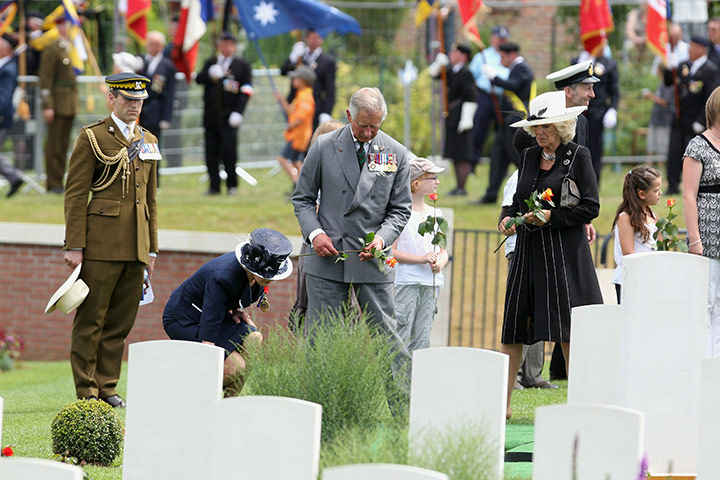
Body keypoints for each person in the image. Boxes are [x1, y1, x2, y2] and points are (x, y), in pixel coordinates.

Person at [291, 87, 412, 382]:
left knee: (389, 340)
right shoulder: (323, 146)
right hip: (327, 259)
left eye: (376, 126)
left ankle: (405, 414)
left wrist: (382, 239)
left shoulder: (396, 153)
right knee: (322, 341)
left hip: (373, 261)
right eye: (363, 125)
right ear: (349, 116)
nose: (369, 132)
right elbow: (302, 199)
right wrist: (316, 234)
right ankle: (322, 410)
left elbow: (400, 210)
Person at [498, 91, 603, 418]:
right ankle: (502, 406)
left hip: (564, 254)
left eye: (545, 126)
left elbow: (591, 206)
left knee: (569, 329)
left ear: (562, 125)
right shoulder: (528, 156)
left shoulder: (579, 156)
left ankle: (581, 406)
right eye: (536, 127)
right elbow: (518, 199)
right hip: (529, 251)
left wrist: (552, 217)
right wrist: (508, 217)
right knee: (515, 323)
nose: (539, 132)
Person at [63, 73, 160, 407]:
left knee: (120, 321)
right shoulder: (91, 138)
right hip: (101, 242)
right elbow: (75, 195)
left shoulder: (149, 139)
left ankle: (108, 386)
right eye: (128, 100)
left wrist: (151, 247)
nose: (135, 106)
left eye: (139, 101)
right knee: (92, 319)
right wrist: (75, 245)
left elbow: (150, 200)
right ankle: (87, 389)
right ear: (112, 99)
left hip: (136, 243)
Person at [163, 228, 293, 391]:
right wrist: (209, 353)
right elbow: (211, 314)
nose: (270, 278)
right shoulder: (223, 277)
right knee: (235, 365)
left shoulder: (257, 279)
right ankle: (193, 395)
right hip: (184, 318)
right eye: (266, 274)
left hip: (215, 313)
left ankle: (229, 405)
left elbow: (228, 298)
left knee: (254, 338)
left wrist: (235, 309)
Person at [392, 157, 449, 352]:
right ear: (416, 183)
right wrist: (421, 259)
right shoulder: (400, 214)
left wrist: (440, 262)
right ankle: (396, 382)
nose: (437, 181)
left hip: (430, 284)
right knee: (401, 334)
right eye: (432, 177)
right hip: (406, 282)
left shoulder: (436, 214)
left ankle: (415, 382)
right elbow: (392, 251)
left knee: (422, 338)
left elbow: (443, 250)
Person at [291, 120, 345, 329]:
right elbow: (305, 207)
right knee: (314, 311)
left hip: (335, 250)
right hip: (317, 249)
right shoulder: (316, 172)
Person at [683, 86, 720, 356]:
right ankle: (705, 359)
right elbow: (688, 197)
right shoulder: (698, 146)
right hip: (708, 236)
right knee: (707, 301)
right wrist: (695, 239)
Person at [477, 41, 535, 204]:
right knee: (497, 158)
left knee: (517, 158)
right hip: (506, 124)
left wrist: (494, 78)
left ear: (512, 55)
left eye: (502, 56)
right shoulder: (515, 69)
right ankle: (490, 194)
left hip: (516, 122)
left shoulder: (522, 68)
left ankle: (528, 190)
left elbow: (513, 86)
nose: (500, 60)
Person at [196, 32, 253, 195]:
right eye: (223, 44)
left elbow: (246, 90)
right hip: (211, 116)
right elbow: (199, 79)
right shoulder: (211, 62)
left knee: (229, 152)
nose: (226, 47)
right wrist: (210, 74)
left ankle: (231, 185)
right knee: (211, 152)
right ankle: (214, 186)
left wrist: (239, 112)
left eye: (229, 44)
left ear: (234, 46)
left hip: (229, 115)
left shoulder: (242, 65)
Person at [666, 36, 720, 195]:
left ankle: (696, 185)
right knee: (674, 152)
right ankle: (673, 185)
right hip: (679, 118)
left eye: (693, 47)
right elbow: (670, 82)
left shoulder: (710, 70)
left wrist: (701, 120)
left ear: (701, 49)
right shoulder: (684, 65)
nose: (689, 50)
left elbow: (710, 98)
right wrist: (669, 68)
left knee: (695, 155)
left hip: (695, 119)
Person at [428, 43, 477, 198]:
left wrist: (467, 118)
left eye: (454, 52)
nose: (451, 54)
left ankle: (462, 187)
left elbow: (471, 96)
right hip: (452, 116)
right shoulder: (451, 71)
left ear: (463, 56)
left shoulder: (466, 73)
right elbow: (433, 75)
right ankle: (458, 186)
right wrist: (438, 63)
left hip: (462, 117)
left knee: (462, 153)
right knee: (455, 153)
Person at [467, 25, 510, 193]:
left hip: (502, 97)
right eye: (499, 38)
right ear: (492, 39)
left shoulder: (507, 55)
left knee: (503, 132)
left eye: (504, 39)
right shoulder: (482, 56)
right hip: (485, 95)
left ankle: (502, 165)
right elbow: (472, 76)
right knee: (479, 131)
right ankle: (472, 165)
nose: (501, 42)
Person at [38, 15, 77, 194]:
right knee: (54, 145)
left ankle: (59, 180)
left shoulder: (70, 49)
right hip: (57, 104)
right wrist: (48, 106)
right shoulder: (53, 49)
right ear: (61, 27)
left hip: (69, 103)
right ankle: (52, 182)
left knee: (63, 145)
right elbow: (45, 80)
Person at [611, 166, 661, 304]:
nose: (660, 193)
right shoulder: (625, 218)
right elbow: (629, 254)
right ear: (642, 194)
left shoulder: (654, 217)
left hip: (650, 277)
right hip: (631, 279)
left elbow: (660, 247)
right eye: (656, 190)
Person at [575, 40, 619, 183]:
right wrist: (580, 64)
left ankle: (593, 182)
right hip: (578, 111)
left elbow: (614, 91)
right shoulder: (577, 60)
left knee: (594, 149)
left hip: (597, 112)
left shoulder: (609, 64)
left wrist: (613, 109)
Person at [281, 30, 336, 129]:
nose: (314, 41)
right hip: (295, 104)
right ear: (306, 38)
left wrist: (326, 112)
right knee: (295, 138)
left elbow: (330, 89)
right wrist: (292, 58)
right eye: (312, 37)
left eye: (318, 38)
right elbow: (283, 71)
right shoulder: (299, 57)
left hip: (314, 106)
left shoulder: (327, 61)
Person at [273, 65, 316, 185]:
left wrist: (290, 126)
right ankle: (307, 184)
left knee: (282, 159)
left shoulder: (306, 97)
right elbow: (290, 111)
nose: (293, 80)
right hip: (299, 135)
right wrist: (281, 99)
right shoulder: (300, 95)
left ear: (304, 81)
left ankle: (297, 183)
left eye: (296, 78)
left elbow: (300, 117)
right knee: (297, 161)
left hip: (298, 136)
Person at [0, 34, 24, 198]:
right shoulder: (5, 66)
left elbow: (4, 97)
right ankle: (14, 176)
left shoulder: (9, 68)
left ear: (7, 48)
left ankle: (14, 176)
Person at [643, 69, 675, 159]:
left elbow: (665, 102)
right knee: (651, 144)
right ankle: (649, 164)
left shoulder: (669, 85)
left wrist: (651, 96)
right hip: (655, 119)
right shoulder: (661, 84)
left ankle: (661, 165)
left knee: (663, 147)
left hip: (664, 121)